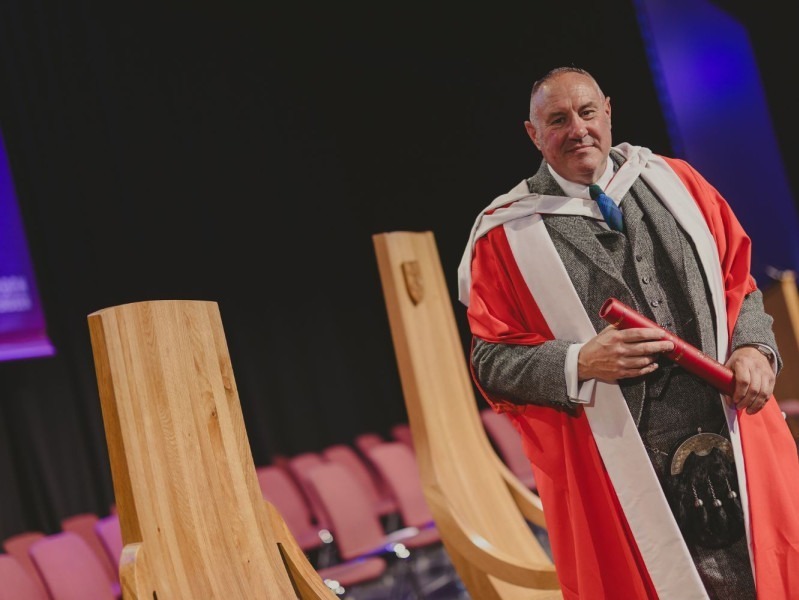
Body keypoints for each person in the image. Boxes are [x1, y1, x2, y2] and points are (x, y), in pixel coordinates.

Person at [457, 66, 799, 599]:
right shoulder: (507, 235)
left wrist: (755, 347)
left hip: (735, 439)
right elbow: (490, 361)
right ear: (533, 134)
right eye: (557, 119)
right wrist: (578, 362)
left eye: (588, 112)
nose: (578, 129)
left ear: (609, 111)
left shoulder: (678, 183)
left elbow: (742, 285)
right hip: (624, 479)